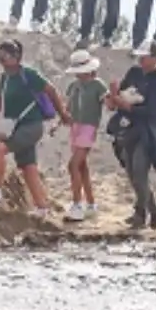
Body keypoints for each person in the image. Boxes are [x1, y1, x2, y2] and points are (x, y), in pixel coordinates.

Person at [0, 41, 71, 217]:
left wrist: (62, 113)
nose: (2, 60)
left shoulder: (28, 74)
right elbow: (0, 98)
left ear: (16, 57)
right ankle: (42, 207)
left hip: (31, 125)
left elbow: (51, 91)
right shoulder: (5, 78)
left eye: (5, 56)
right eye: (0, 55)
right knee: (28, 168)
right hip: (15, 126)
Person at [111, 39, 156, 230]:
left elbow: (151, 111)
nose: (141, 61)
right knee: (131, 170)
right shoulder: (135, 73)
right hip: (130, 126)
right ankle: (151, 212)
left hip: (148, 130)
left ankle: (144, 212)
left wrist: (126, 105)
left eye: (145, 57)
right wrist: (116, 96)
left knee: (139, 170)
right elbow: (121, 91)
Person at [62, 50, 108, 222]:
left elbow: (107, 103)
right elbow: (68, 107)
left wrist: (113, 97)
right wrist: (60, 120)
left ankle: (77, 204)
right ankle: (90, 204)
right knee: (82, 166)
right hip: (75, 126)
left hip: (88, 127)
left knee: (73, 165)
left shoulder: (98, 85)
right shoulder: (74, 86)